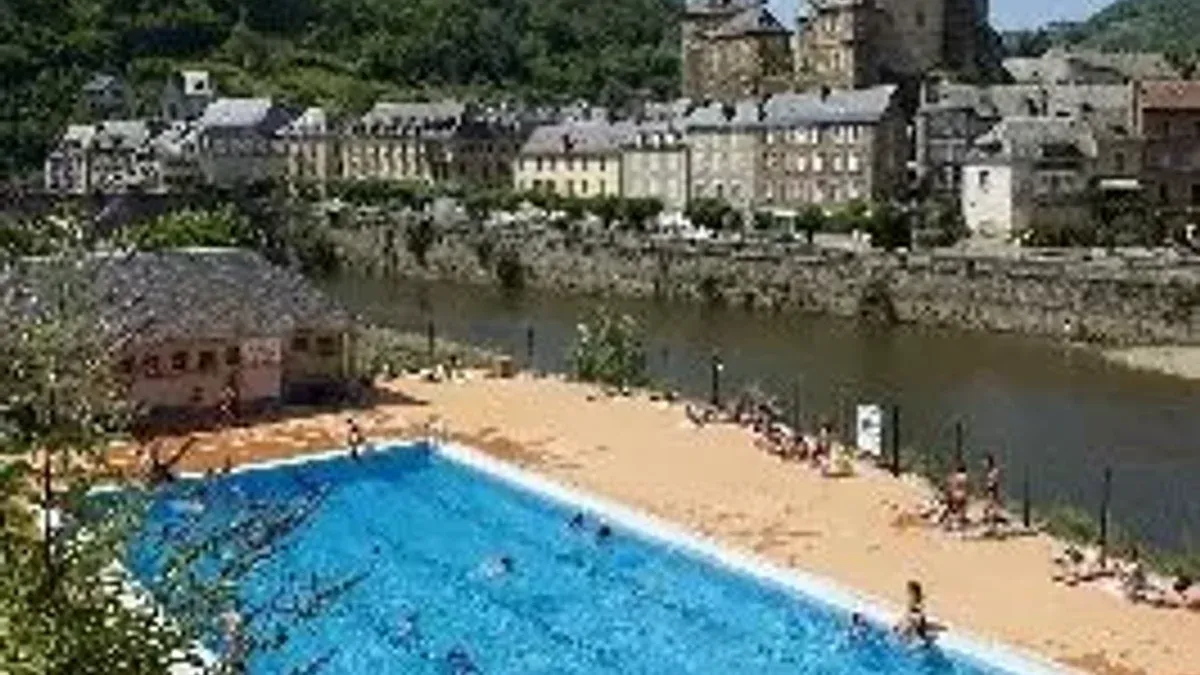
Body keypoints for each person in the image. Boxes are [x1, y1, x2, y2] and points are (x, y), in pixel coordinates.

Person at [895, 580, 936, 645]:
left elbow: (918, 620)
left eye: (909, 592)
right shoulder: (912, 603)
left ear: (914, 593)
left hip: (914, 626)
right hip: (913, 626)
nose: (907, 594)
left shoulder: (917, 606)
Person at [981, 453, 1003, 533]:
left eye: (985, 462)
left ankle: (993, 528)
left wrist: (990, 488)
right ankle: (992, 527)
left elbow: (994, 483)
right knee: (988, 510)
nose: (984, 464)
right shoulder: (989, 472)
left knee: (991, 510)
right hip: (990, 492)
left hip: (993, 492)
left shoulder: (994, 472)